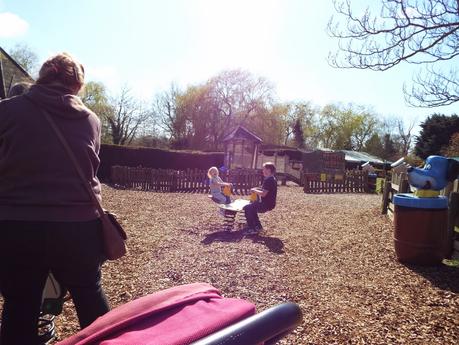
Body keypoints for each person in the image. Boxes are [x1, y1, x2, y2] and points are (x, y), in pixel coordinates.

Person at [0, 53, 110, 344]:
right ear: (76, 85)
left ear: (42, 77)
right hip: (78, 226)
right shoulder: (91, 120)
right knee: (90, 298)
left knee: (19, 304)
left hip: (18, 224)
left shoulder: (7, 111)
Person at [243, 162, 277, 235]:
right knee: (252, 207)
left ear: (269, 170)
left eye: (264, 169)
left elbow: (264, 194)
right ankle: (258, 227)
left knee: (247, 208)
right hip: (270, 203)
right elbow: (265, 189)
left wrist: (255, 190)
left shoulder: (268, 180)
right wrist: (257, 188)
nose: (263, 171)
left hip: (266, 204)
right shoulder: (272, 179)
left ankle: (252, 228)